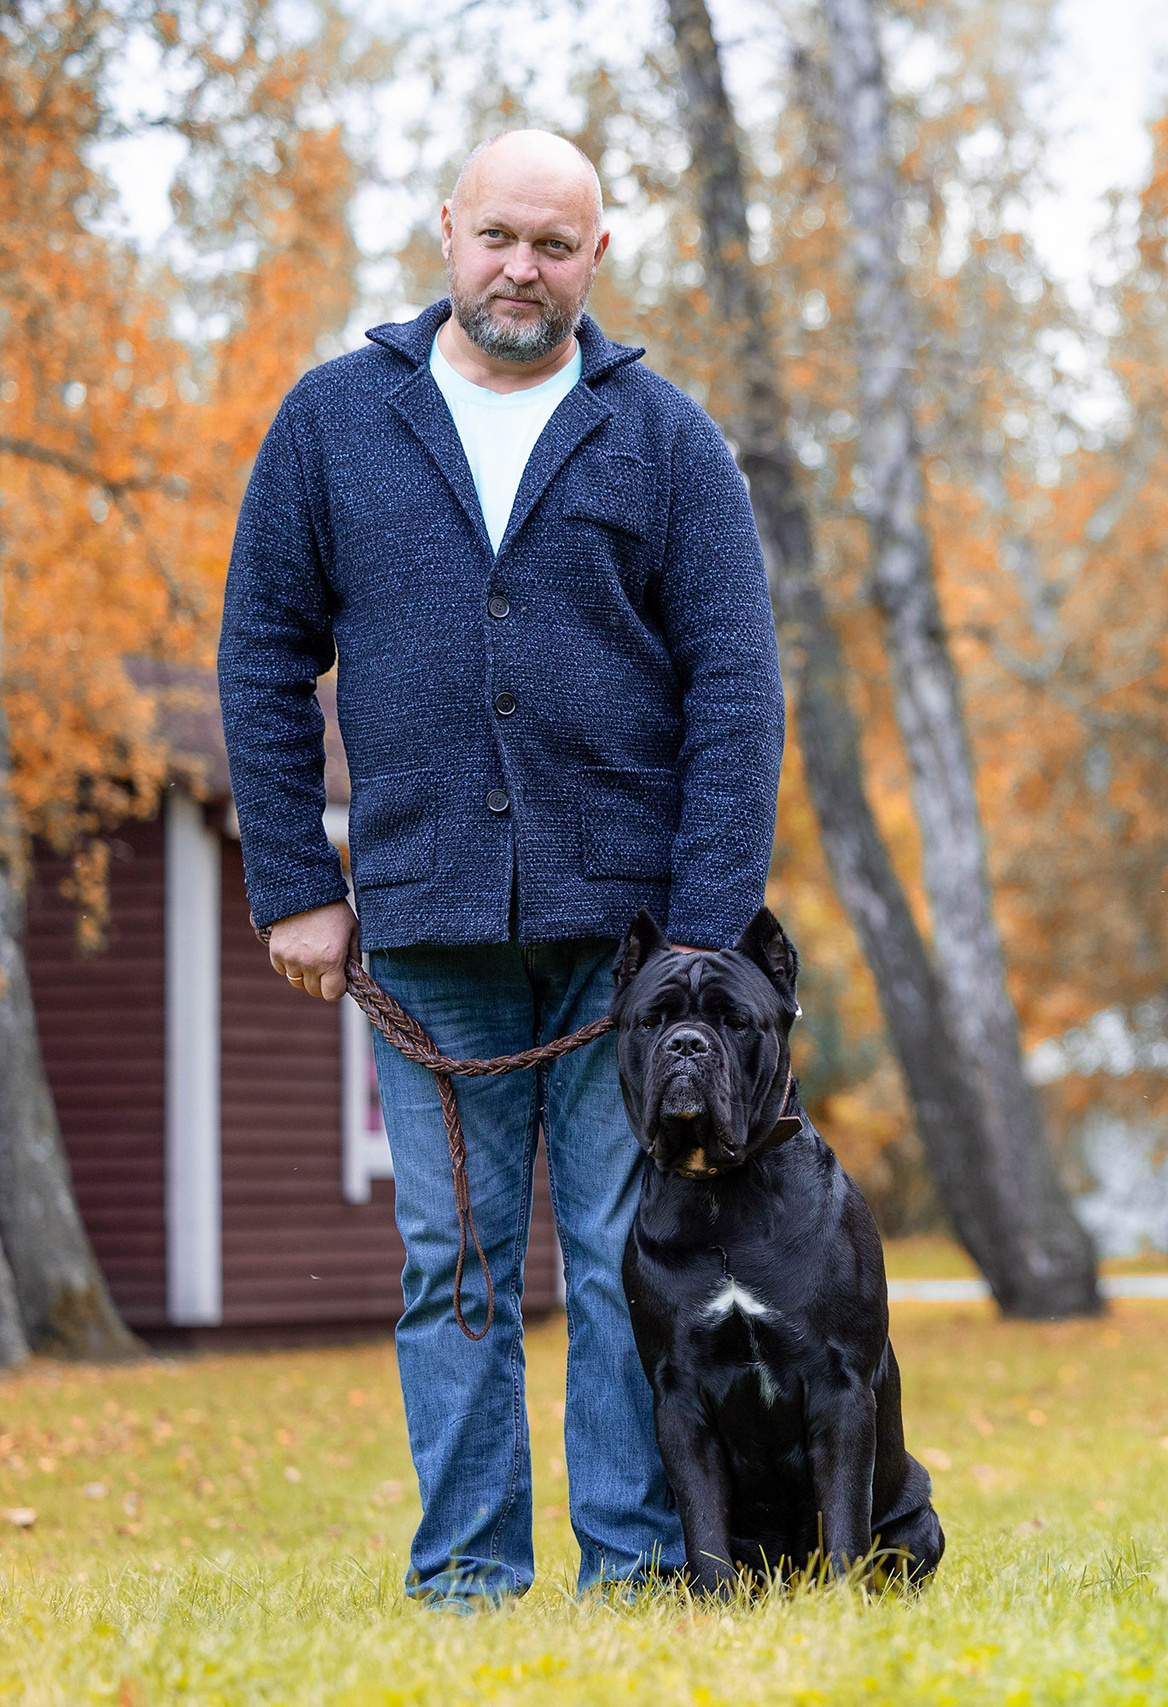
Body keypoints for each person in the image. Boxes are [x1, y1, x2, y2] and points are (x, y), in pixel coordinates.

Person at [218, 130, 785, 1608]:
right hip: (423, 933)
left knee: (621, 1264)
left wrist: (702, 945)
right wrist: (294, 880)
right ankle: (468, 1572)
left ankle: (638, 1568)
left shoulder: (667, 438)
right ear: (449, 229)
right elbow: (264, 657)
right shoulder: (335, 422)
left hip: (628, 958)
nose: (521, 268)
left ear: (598, 258)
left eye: (556, 243)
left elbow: (738, 690)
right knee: (453, 1267)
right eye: (499, 237)